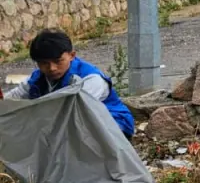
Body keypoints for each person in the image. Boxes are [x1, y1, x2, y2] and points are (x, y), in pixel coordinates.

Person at [1, 29, 135, 138]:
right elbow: (11, 101)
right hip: (67, 129)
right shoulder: (37, 79)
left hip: (114, 127)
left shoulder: (91, 79)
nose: (52, 68)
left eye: (58, 61)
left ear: (72, 55)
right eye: (44, 63)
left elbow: (71, 113)